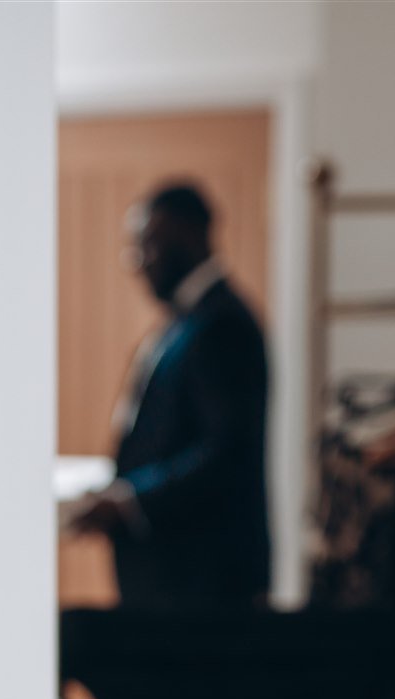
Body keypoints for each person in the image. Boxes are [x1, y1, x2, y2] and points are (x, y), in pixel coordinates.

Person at [66, 181, 271, 612]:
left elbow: (226, 453)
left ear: (186, 234)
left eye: (147, 244)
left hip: (202, 585)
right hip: (167, 579)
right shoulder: (186, 322)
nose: (136, 261)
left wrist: (128, 501)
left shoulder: (223, 325)